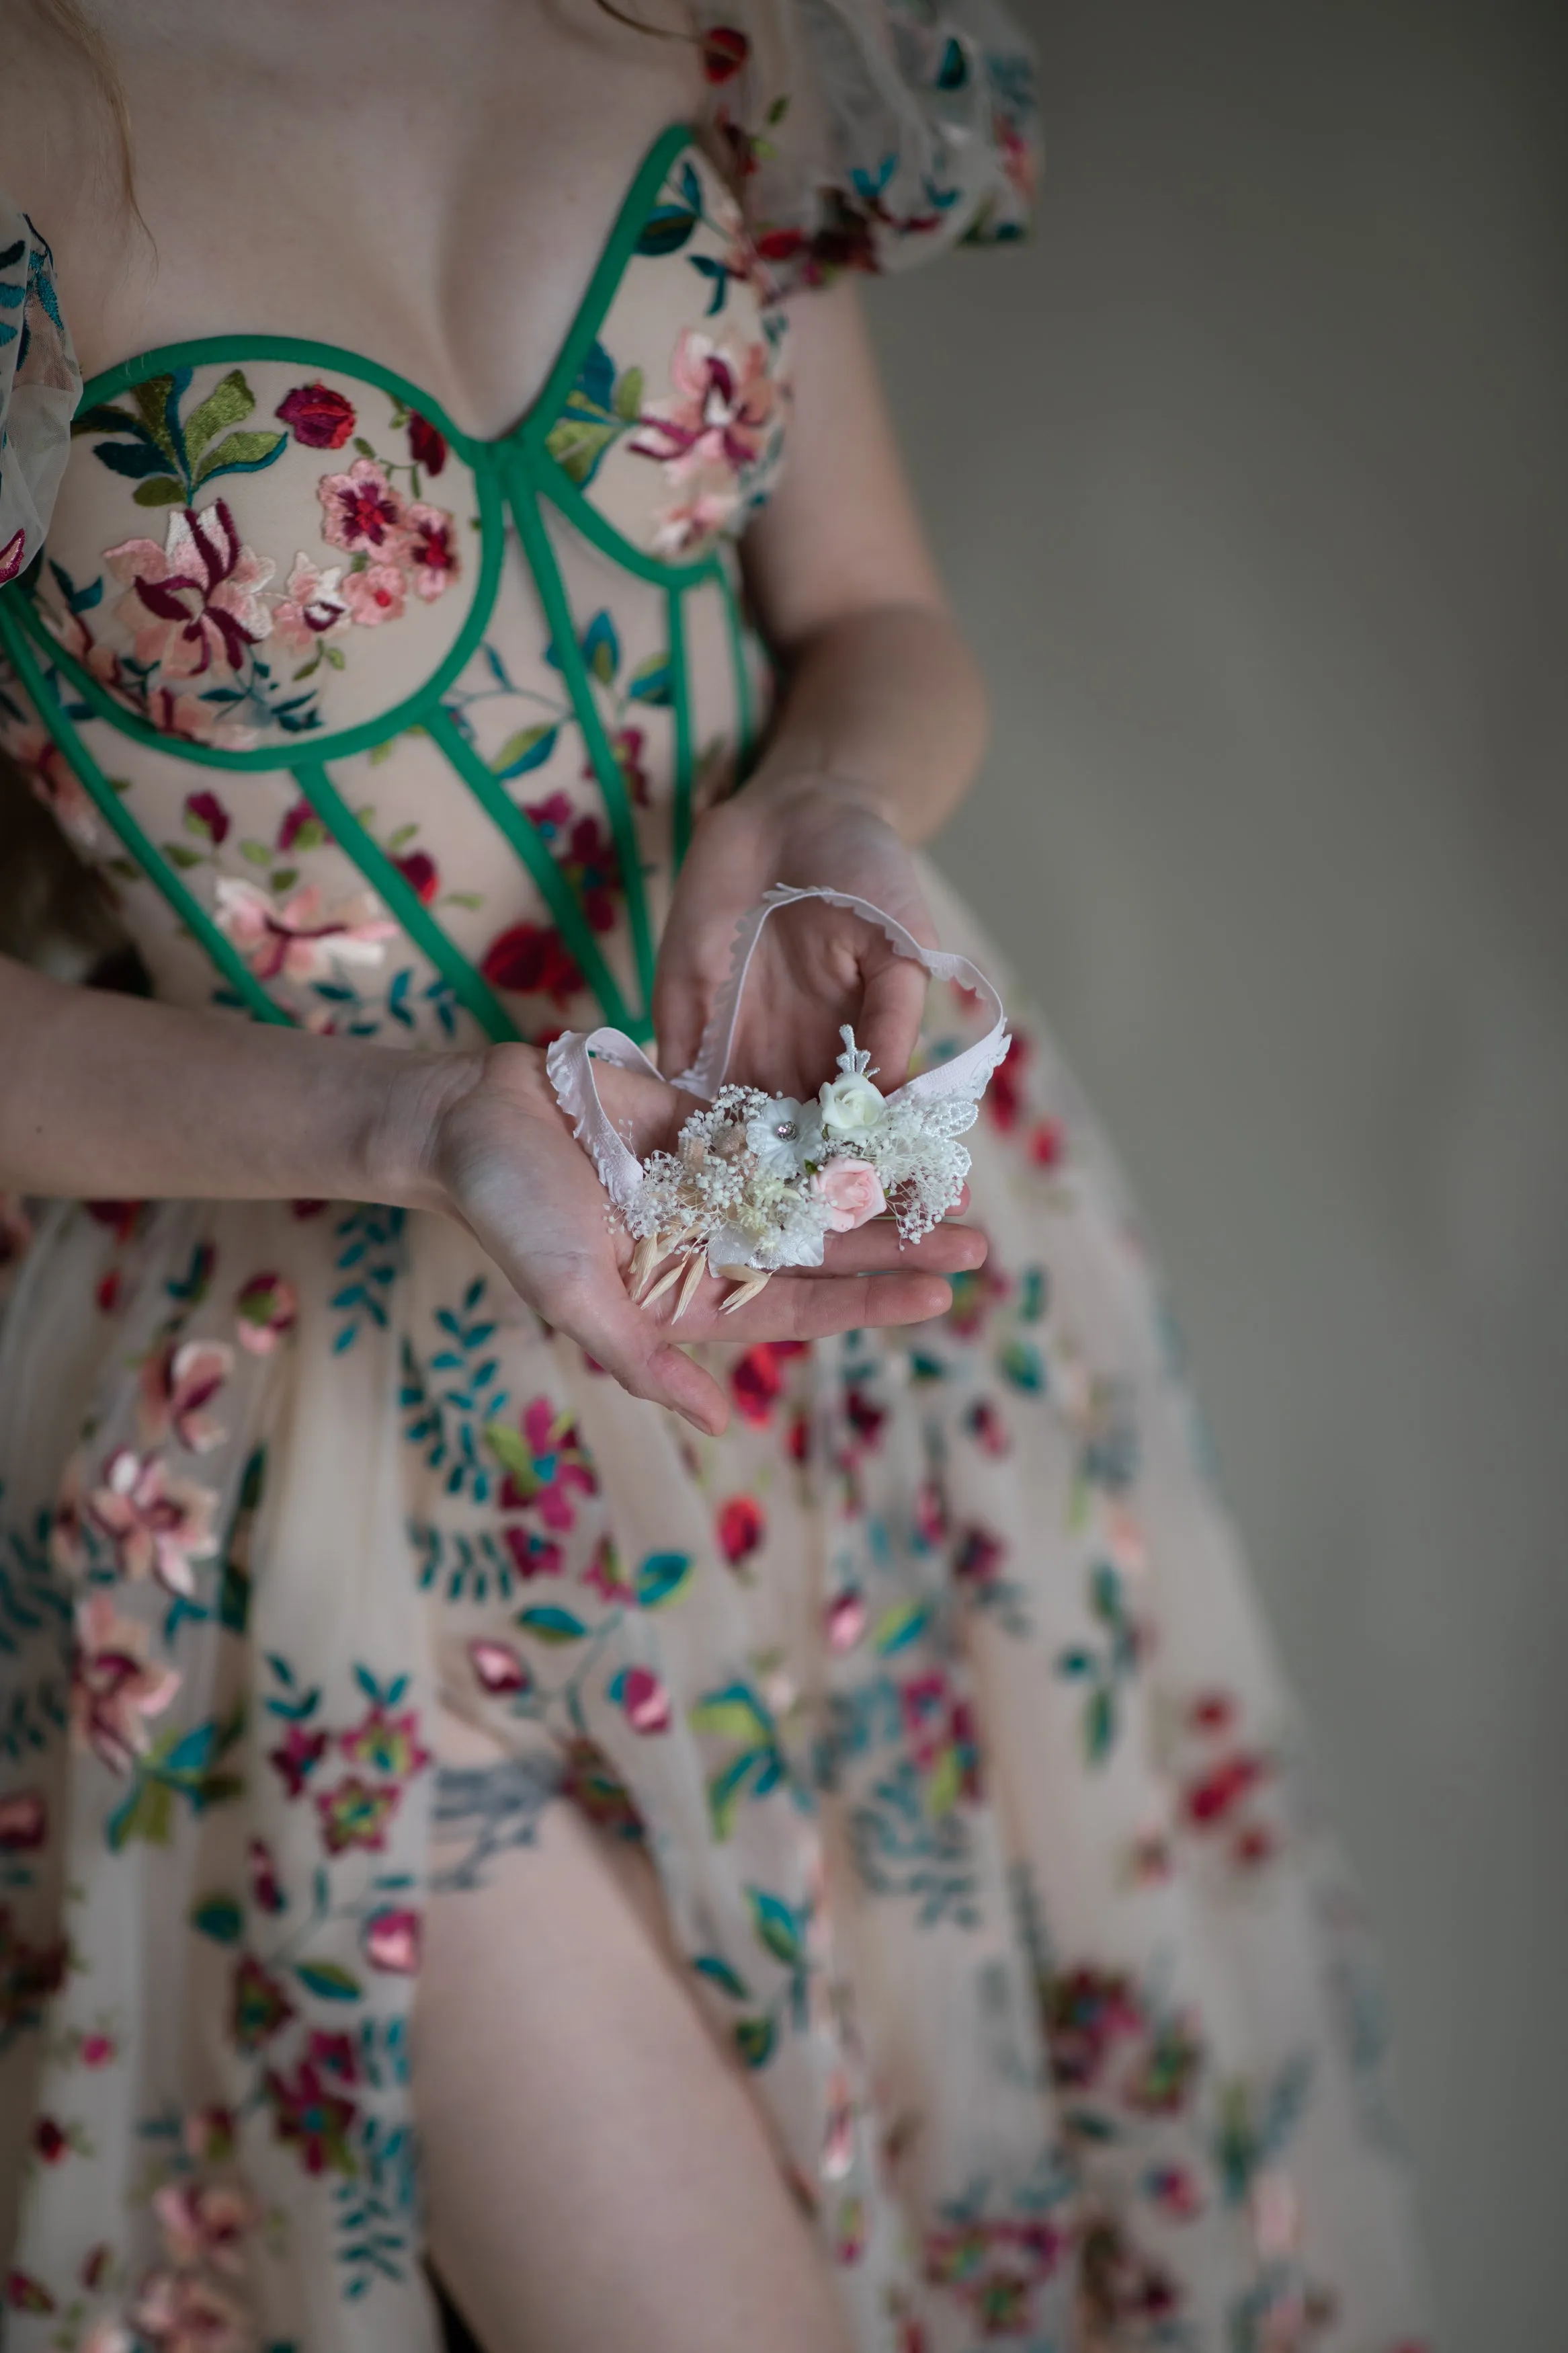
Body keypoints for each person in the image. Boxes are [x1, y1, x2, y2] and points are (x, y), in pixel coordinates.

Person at [0, 3, 1428, 2348]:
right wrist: (407, 1115)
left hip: (866, 1285)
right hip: (321, 1441)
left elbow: (875, 619)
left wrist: (825, 810)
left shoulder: (694, 12)